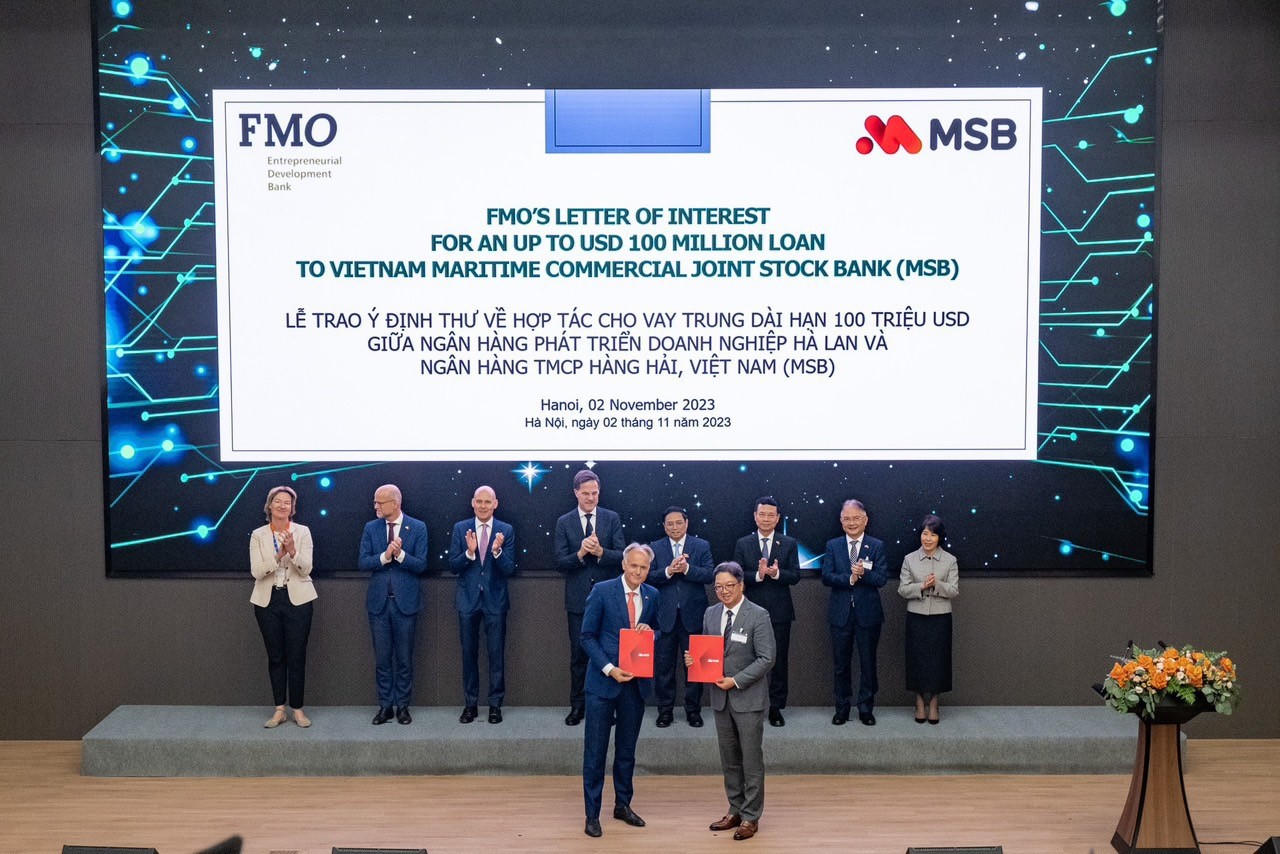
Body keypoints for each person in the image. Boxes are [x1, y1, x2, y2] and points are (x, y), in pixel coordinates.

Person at [686, 561, 775, 841]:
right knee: (730, 760)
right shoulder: (711, 613)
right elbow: (708, 653)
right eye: (718, 587)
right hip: (720, 698)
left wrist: (736, 680)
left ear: (741, 585)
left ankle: (751, 816)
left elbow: (767, 658)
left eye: (729, 586)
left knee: (751, 760)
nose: (724, 591)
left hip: (747, 698)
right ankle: (735, 809)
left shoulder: (758, 615)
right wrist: (694, 660)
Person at [580, 543, 658, 838]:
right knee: (595, 753)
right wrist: (609, 668)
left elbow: (659, 631)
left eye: (644, 567)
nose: (638, 571)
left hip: (634, 686)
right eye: (634, 565)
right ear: (624, 565)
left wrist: (652, 633)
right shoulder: (602, 591)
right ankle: (592, 815)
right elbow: (587, 637)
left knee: (626, 752)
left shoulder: (653, 595)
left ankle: (622, 805)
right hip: (603, 684)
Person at [554, 469, 626, 726]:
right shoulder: (564, 522)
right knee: (579, 656)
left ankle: (608, 706)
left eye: (594, 493)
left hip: (609, 599)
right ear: (576, 493)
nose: (591, 498)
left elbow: (623, 555)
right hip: (578, 600)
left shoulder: (611, 518)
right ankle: (578, 706)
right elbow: (560, 563)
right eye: (586, 493)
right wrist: (581, 554)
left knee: (609, 653)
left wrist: (600, 552)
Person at [357, 483, 428, 725]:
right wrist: (385, 556)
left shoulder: (417, 527)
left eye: (379, 502)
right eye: (374, 502)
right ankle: (385, 706)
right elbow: (363, 562)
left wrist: (400, 555)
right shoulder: (371, 528)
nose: (375, 506)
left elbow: (421, 565)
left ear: (395, 503)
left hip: (405, 604)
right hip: (379, 605)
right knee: (383, 659)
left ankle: (403, 707)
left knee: (404, 659)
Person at [447, 485, 517, 724]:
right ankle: (470, 705)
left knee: (496, 655)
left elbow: (509, 569)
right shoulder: (461, 528)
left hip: (495, 601)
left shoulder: (506, 530)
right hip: (467, 601)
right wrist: (469, 553)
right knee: (469, 654)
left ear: (495, 504)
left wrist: (497, 552)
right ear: (472, 503)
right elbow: (453, 566)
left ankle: (495, 705)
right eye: (479, 501)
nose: (483, 506)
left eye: (488, 502)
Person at [249, 485, 316, 729]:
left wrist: (293, 552)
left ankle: (297, 709)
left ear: (292, 508)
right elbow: (257, 571)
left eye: (287, 502)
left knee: (297, 655)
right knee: (276, 656)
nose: (282, 505)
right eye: (278, 501)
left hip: (298, 600)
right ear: (269, 505)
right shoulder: (258, 535)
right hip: (267, 601)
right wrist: (279, 555)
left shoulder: (303, 532)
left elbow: (306, 569)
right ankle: (279, 709)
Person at [820, 499, 889, 726]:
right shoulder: (833, 545)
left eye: (856, 518)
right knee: (841, 665)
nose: (852, 523)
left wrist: (864, 574)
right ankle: (842, 708)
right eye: (847, 519)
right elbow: (826, 576)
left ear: (865, 520)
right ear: (841, 521)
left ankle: (866, 709)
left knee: (868, 664)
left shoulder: (876, 545)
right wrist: (850, 578)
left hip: (868, 614)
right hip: (840, 614)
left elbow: (882, 578)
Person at [732, 496, 799, 726]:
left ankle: (776, 707)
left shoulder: (788, 543)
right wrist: (759, 575)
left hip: (780, 612)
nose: (766, 518)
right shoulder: (743, 543)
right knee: (746, 659)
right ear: (755, 516)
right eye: (762, 514)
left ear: (778, 518)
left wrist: (776, 574)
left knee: (778, 661)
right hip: (749, 611)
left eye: (771, 515)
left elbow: (795, 576)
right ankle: (748, 704)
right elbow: (737, 574)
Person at [647, 505, 715, 728]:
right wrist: (669, 571)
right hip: (663, 617)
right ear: (664, 526)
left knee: (694, 667)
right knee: (664, 667)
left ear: (686, 523)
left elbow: (709, 575)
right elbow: (647, 576)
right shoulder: (655, 547)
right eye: (670, 523)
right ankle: (665, 711)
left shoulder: (701, 545)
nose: (674, 527)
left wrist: (686, 569)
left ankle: (693, 711)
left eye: (678, 522)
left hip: (693, 616)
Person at [897, 514, 959, 724]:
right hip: (916, 616)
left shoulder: (950, 560)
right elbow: (903, 589)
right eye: (925, 534)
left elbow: (954, 590)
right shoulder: (909, 559)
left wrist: (937, 585)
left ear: (939, 537)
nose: (928, 538)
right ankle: (918, 702)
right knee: (917, 660)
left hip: (941, 617)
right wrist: (922, 586)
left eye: (933, 535)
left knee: (938, 661)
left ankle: (934, 703)